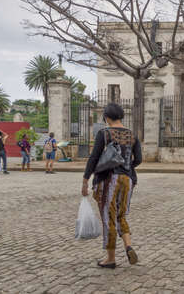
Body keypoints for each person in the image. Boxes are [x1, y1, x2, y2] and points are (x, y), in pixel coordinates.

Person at [82, 103, 142, 269]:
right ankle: (128, 245)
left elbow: (94, 158)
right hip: (128, 179)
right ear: (121, 116)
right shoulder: (132, 135)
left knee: (109, 217)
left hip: (109, 179)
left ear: (106, 117)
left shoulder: (104, 133)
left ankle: (110, 258)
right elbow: (138, 159)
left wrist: (86, 179)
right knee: (121, 215)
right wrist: (127, 167)